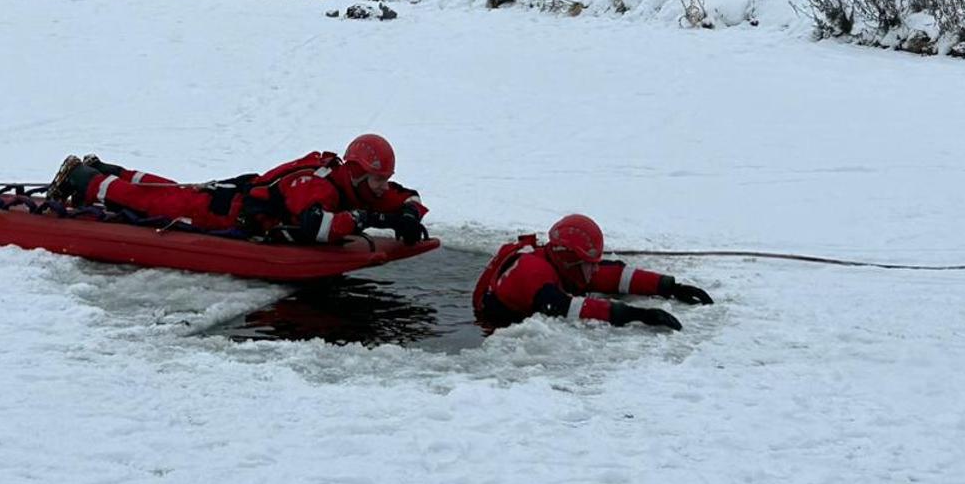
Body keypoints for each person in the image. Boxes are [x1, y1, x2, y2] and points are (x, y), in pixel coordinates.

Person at [45, 134, 429, 245]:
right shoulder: (317, 186)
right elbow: (318, 226)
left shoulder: (360, 183)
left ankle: (105, 170)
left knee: (169, 190)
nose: (383, 187)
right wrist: (372, 219)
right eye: (378, 179)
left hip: (242, 194)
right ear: (359, 173)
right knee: (155, 202)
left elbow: (404, 195)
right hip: (228, 212)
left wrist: (408, 214)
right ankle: (83, 179)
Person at [473, 214, 712, 331]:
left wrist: (670, 286)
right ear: (569, 261)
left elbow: (613, 275)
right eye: (589, 263)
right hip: (496, 320)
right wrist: (637, 315)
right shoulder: (533, 273)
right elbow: (565, 307)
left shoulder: (566, 265)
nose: (595, 268)